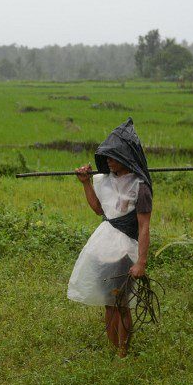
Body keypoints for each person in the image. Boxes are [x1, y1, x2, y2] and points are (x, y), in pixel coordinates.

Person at [66, 118, 152, 357]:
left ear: (126, 158)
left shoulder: (140, 188)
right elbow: (99, 210)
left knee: (121, 304)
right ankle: (113, 348)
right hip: (102, 248)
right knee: (108, 303)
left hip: (124, 252)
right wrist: (85, 184)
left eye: (114, 157)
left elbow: (144, 227)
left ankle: (123, 352)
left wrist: (141, 262)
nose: (109, 162)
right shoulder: (104, 181)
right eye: (107, 158)